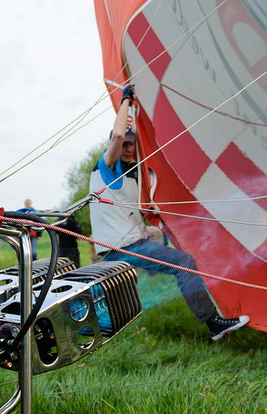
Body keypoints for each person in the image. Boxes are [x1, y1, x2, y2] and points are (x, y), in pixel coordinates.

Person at [89, 85, 248, 340]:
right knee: (184, 263)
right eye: (125, 146)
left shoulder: (130, 179)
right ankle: (212, 324)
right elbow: (119, 134)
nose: (128, 149)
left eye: (133, 145)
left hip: (119, 246)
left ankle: (87, 329)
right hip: (125, 246)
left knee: (111, 294)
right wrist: (126, 102)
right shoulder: (106, 169)